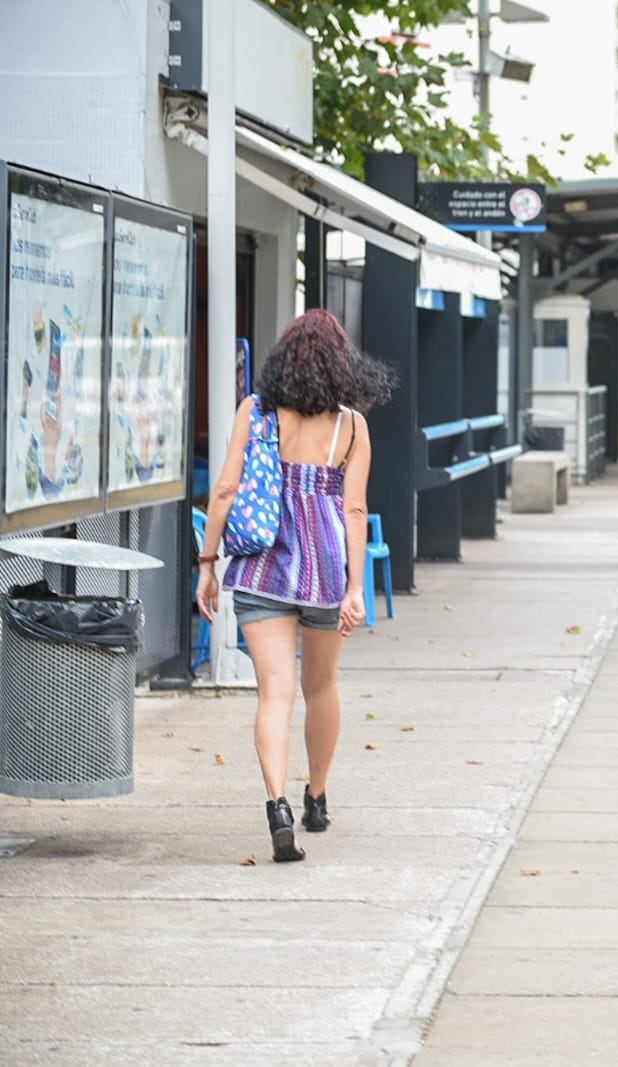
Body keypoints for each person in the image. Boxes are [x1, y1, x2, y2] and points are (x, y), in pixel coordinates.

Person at [195, 309, 394, 863]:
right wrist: (357, 588)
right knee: (322, 685)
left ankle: (276, 804)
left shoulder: (253, 412)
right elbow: (355, 509)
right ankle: (318, 797)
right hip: (327, 571)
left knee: (274, 693)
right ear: (342, 365)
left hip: (262, 562)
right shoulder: (352, 426)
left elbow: (226, 489)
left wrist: (208, 562)